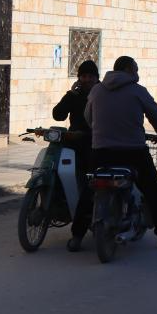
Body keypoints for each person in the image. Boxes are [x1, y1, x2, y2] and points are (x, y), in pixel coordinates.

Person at [84, 55, 157, 250]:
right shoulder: (138, 91)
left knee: (88, 191)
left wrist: (100, 133)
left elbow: (88, 116)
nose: (137, 74)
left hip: (101, 151)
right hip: (133, 152)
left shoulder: (96, 90)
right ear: (129, 69)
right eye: (135, 69)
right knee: (154, 190)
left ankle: (76, 237)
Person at [52, 60, 99, 252]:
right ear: (79, 77)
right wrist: (70, 95)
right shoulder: (75, 94)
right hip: (73, 142)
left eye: (90, 76)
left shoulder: (101, 94)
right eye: (83, 76)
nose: (87, 79)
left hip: (94, 143)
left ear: (97, 77)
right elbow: (58, 115)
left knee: (89, 182)